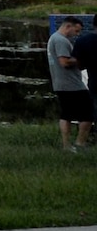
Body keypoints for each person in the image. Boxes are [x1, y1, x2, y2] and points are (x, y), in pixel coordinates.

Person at [49, 17, 92, 152]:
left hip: (61, 83)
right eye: (76, 30)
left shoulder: (54, 38)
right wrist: (83, 58)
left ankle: (66, 145)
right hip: (71, 84)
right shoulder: (61, 41)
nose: (77, 34)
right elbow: (64, 62)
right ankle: (80, 143)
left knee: (66, 114)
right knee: (88, 114)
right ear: (68, 26)